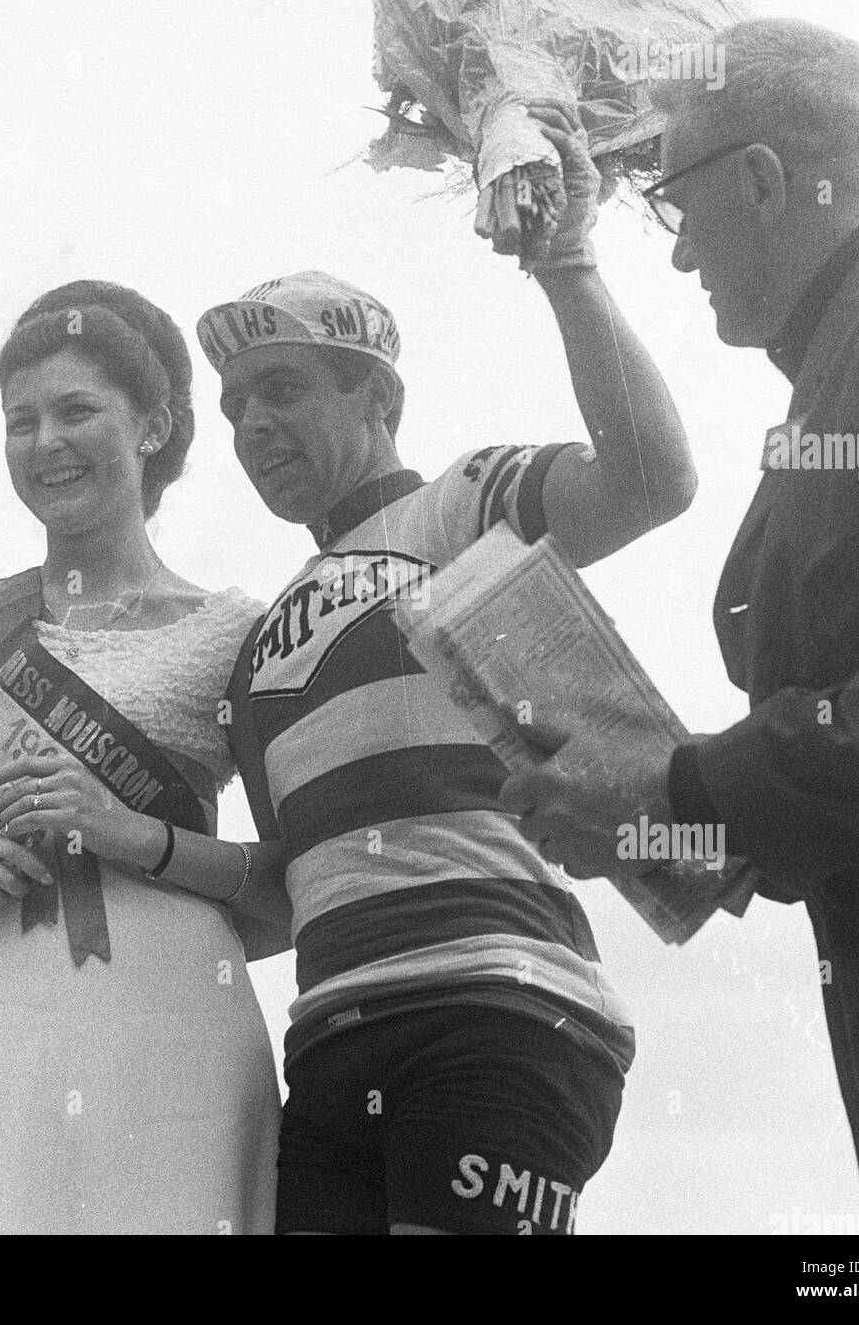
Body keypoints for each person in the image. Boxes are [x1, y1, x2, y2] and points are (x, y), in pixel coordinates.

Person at [501, 19, 859, 1235]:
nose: (675, 257)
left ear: (765, 179)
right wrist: (675, 822)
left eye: (673, 205)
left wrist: (673, 789)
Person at [195, 105, 698, 1234]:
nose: (250, 423)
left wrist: (565, 263)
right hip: (328, 1044)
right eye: (234, 405)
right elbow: (286, 891)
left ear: (380, 399)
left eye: (283, 389)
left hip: (503, 1011)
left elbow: (654, 480)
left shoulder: (463, 504)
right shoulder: (251, 651)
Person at [0, 280, 289, 1235]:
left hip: (172, 1023)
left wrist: (129, 834)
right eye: (21, 421)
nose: (44, 441)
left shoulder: (237, 632)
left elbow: (291, 890)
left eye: (76, 410)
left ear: (153, 426)